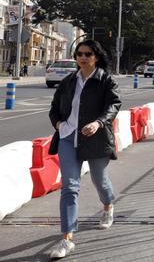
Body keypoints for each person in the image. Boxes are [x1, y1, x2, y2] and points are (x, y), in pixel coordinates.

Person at [47, 40, 121, 259]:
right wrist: (59, 125)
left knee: (100, 180)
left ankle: (107, 206)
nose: (83, 57)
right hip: (68, 138)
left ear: (96, 57)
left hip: (96, 139)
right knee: (69, 187)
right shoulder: (68, 81)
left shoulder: (105, 80)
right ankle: (67, 239)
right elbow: (54, 108)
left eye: (88, 54)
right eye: (79, 54)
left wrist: (99, 122)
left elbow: (114, 105)